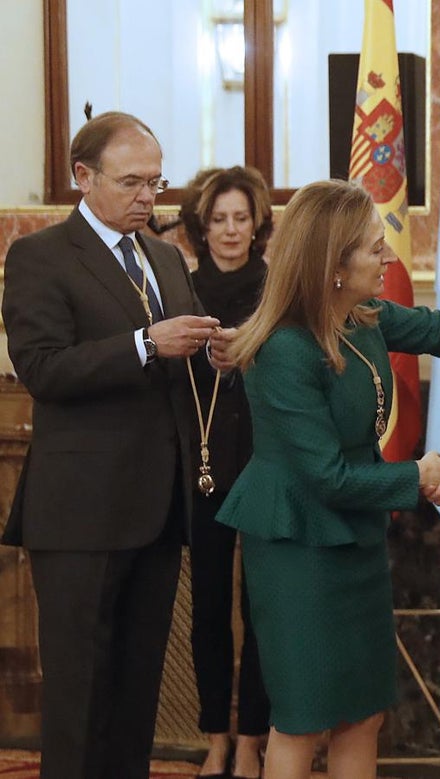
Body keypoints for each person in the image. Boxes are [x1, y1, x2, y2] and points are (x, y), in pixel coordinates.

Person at [211, 179, 440, 778]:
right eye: (373, 247)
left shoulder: (361, 317)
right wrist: (418, 474)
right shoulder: (284, 350)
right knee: (303, 719)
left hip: (355, 539)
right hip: (298, 550)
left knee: (363, 715)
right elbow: (327, 477)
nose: (388, 255)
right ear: (333, 266)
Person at [0, 111, 221, 779]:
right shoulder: (39, 256)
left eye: (156, 182)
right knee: (80, 700)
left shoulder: (165, 258)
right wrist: (145, 344)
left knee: (135, 698)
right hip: (80, 515)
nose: (147, 197)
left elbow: (181, 369)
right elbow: (43, 369)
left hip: (158, 507)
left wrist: (218, 354)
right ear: (84, 176)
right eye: (131, 183)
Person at [179, 166, 273, 779]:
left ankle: (252, 741)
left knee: (261, 608)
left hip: (267, 465)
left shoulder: (279, 288)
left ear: (257, 223)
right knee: (208, 607)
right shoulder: (179, 291)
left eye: (241, 217)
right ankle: (216, 737)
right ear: (201, 226)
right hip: (204, 466)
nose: (231, 229)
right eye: (219, 219)